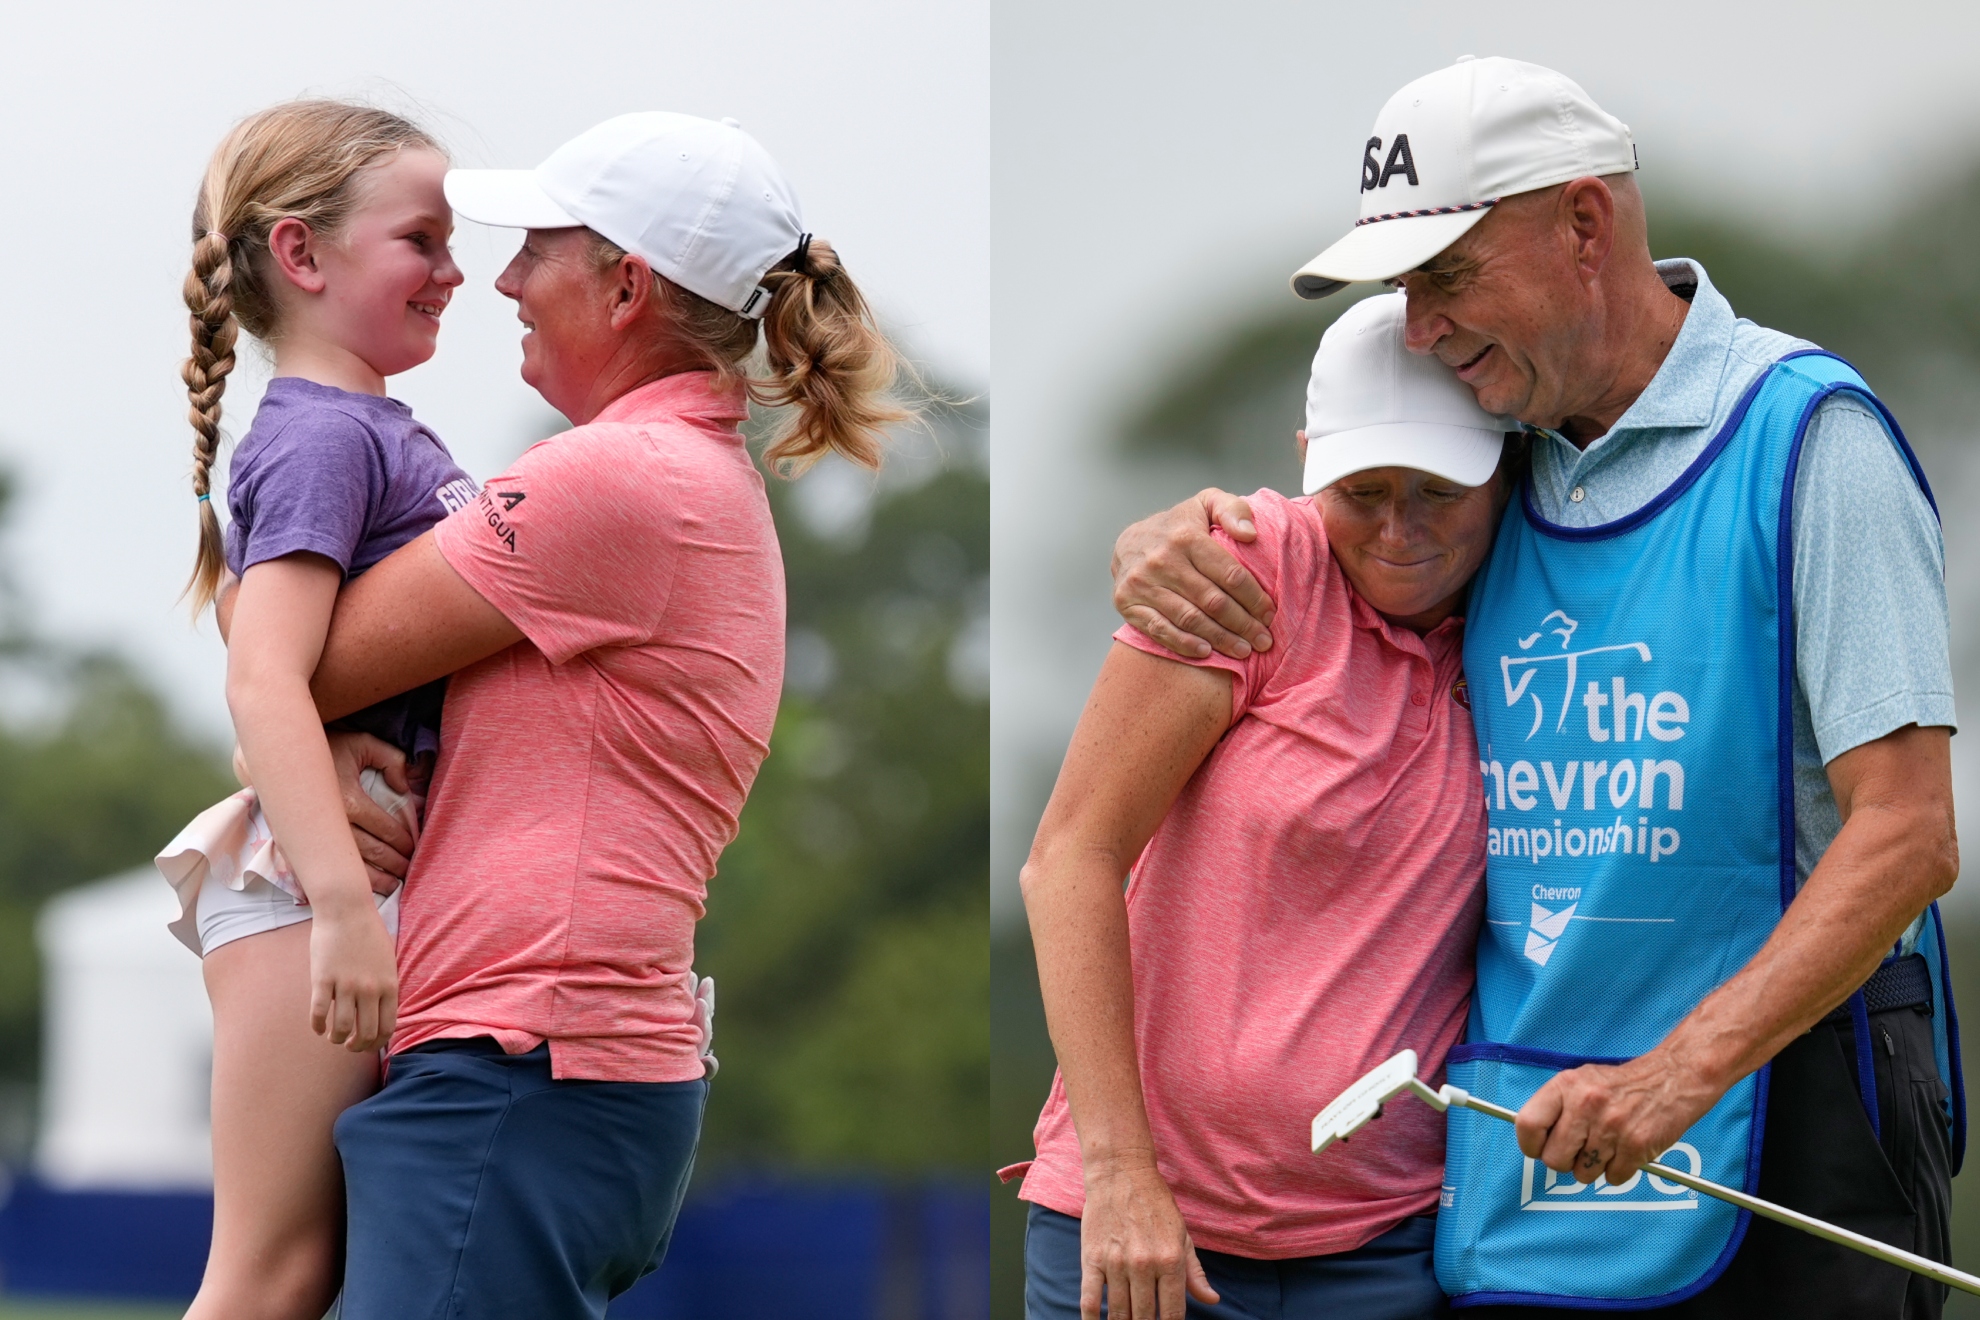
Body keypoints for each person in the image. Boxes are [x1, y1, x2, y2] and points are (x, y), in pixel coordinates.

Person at [1111, 57, 1959, 1318]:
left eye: (1447, 277)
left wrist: (1676, 1079)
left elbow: (1907, 833)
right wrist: (1165, 543)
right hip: (1533, 1123)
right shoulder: (1491, 455)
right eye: (1404, 290)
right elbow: (1342, 531)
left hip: (1792, 1102)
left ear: (1582, 225)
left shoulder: (1808, 438)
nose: (1419, 328)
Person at [277, 112, 904, 1318]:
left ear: (626, 285)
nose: (503, 277)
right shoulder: (668, 471)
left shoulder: (619, 479)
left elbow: (295, 658)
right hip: (549, 1072)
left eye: (540, 249)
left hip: (522, 1070)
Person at [1012, 291, 1513, 1320]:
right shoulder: (1249, 571)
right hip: (1143, 1234)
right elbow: (1070, 858)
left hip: (1393, 1249)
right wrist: (1120, 1177)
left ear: (1506, 466)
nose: (1400, 529)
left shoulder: (1543, 616)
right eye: (1364, 489)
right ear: (1306, 459)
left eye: (1439, 489)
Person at [150, 100, 475, 1320]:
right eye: (423, 240)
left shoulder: (367, 427)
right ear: (302, 254)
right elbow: (264, 671)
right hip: (306, 890)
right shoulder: (326, 436)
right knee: (269, 1277)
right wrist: (343, 905)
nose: (454, 272)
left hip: (332, 880)